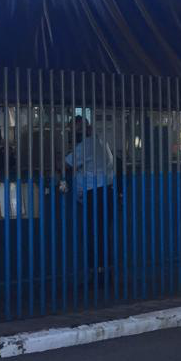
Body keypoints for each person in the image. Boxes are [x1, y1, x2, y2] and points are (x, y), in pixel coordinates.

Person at [61, 116, 116, 285]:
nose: (75, 134)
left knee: (94, 235)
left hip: (95, 194)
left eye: (75, 131)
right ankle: (105, 274)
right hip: (106, 192)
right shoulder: (100, 142)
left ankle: (97, 277)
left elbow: (65, 164)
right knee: (102, 234)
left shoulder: (87, 145)